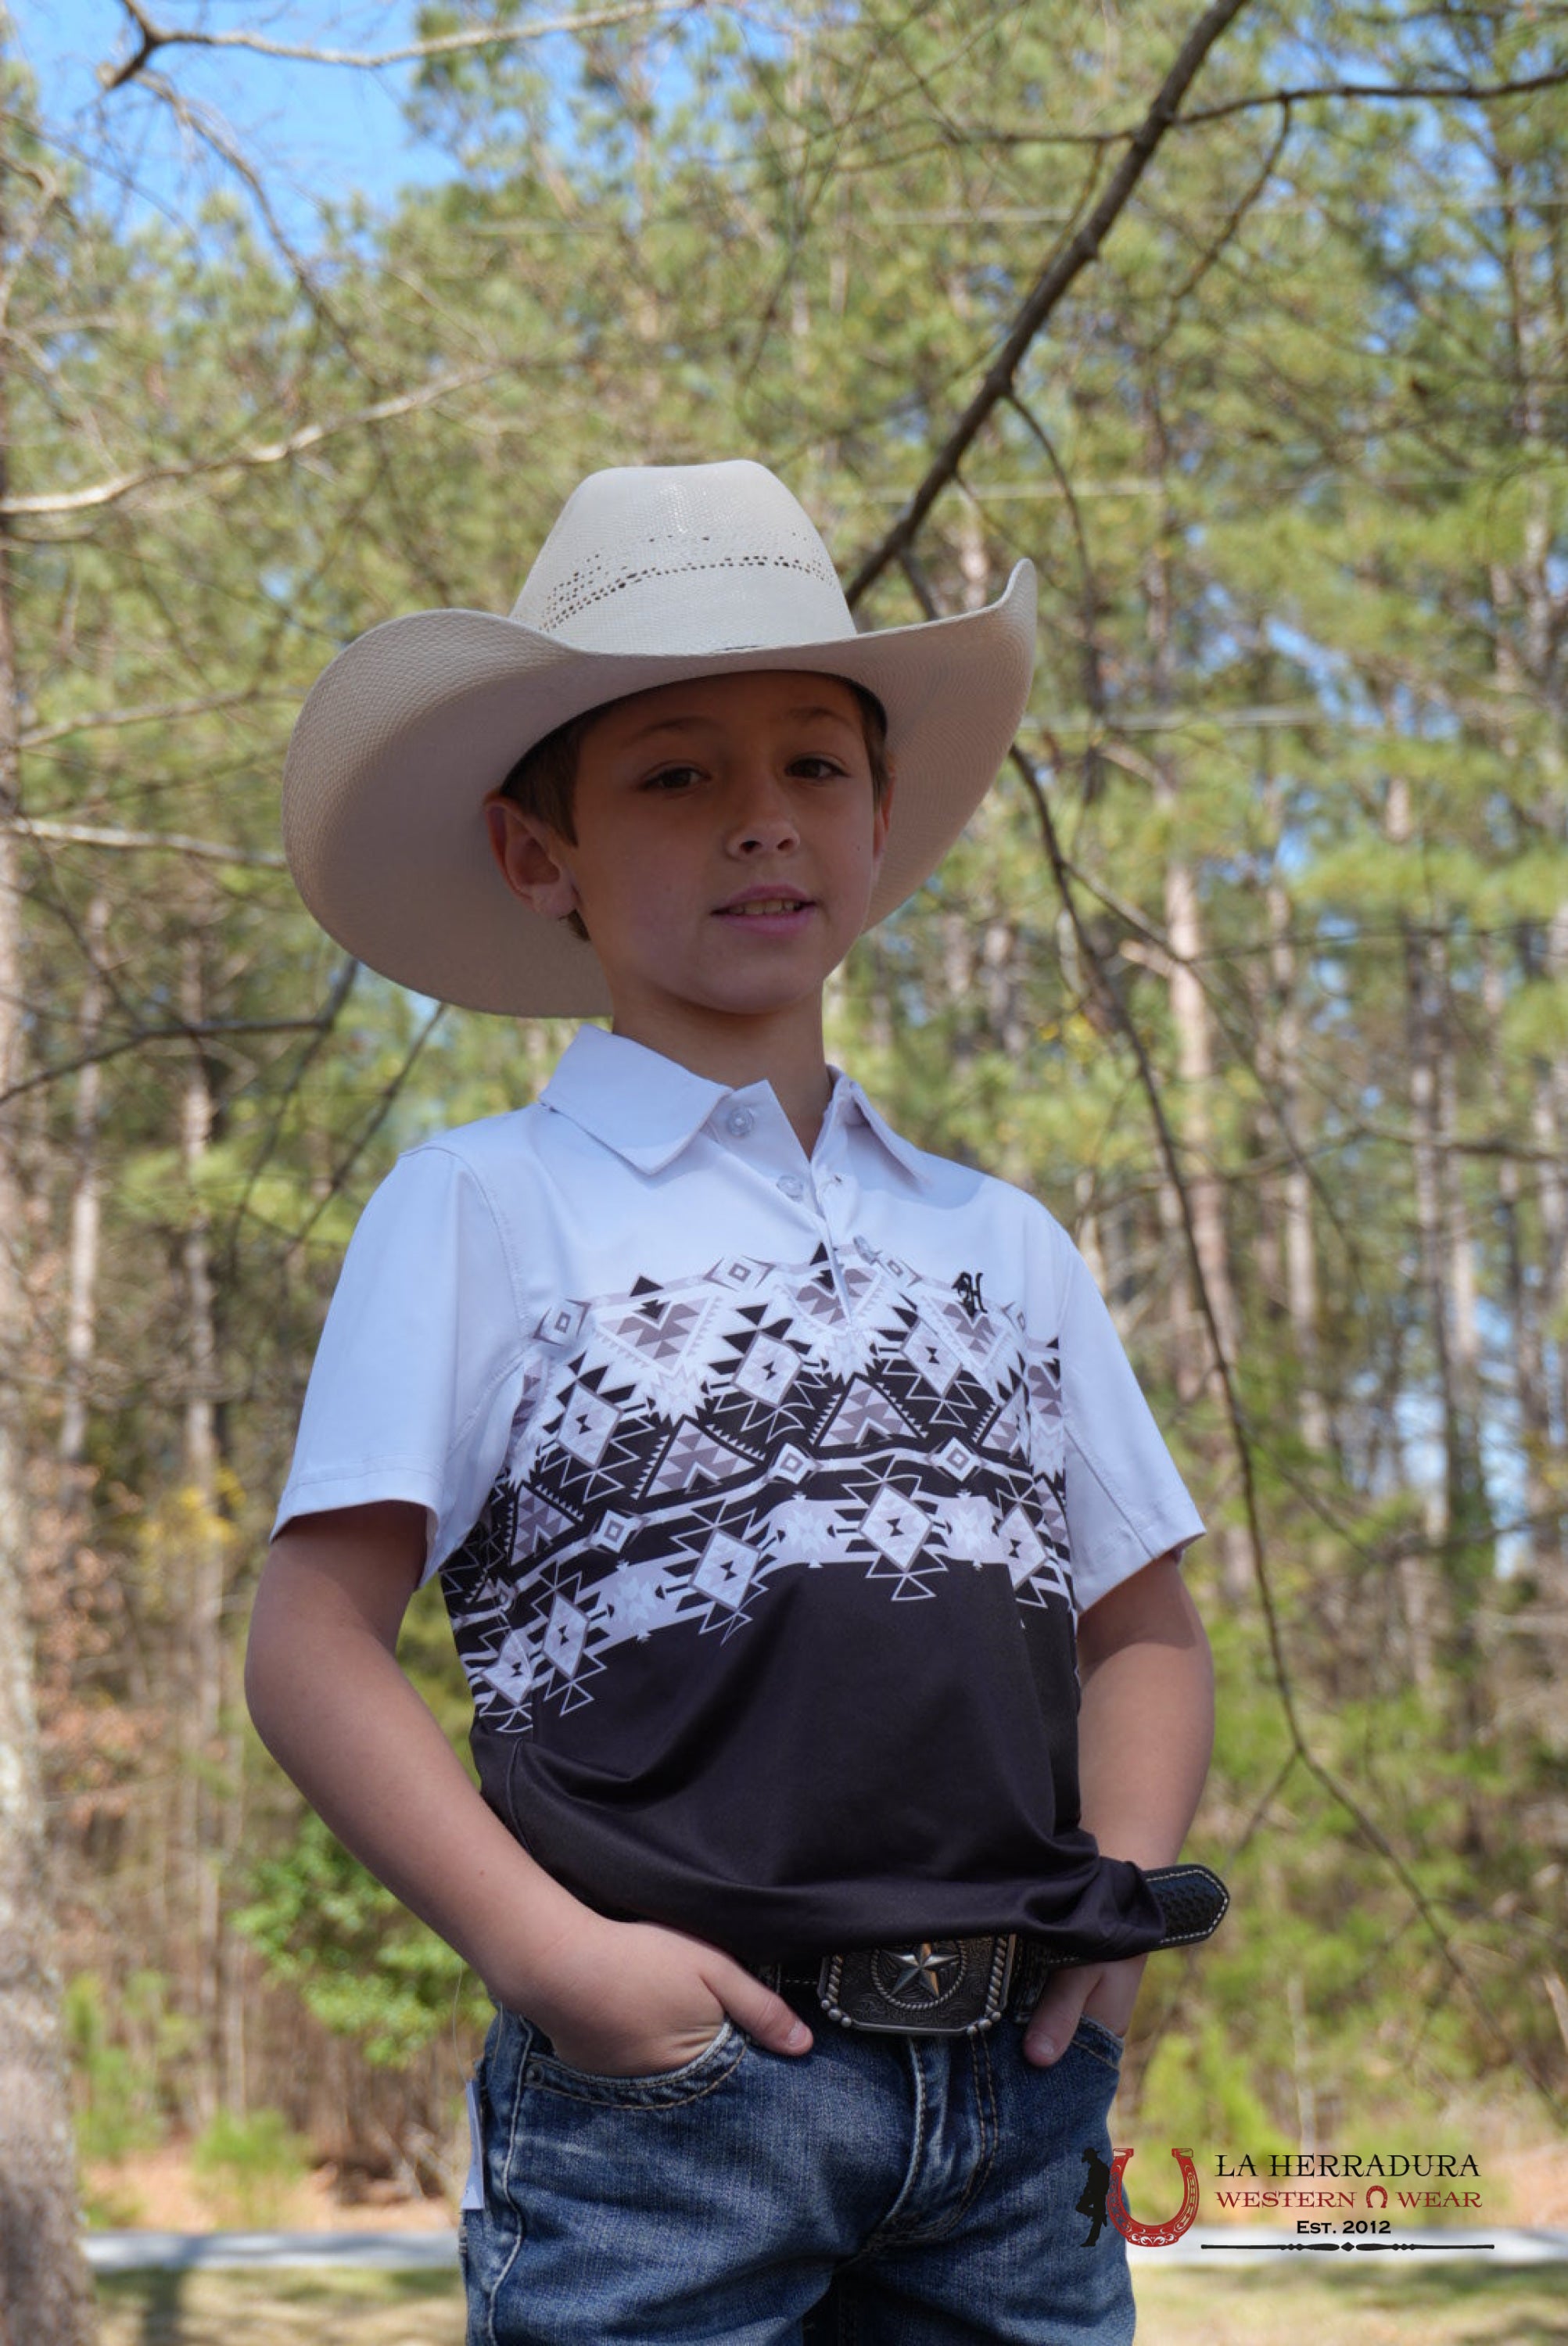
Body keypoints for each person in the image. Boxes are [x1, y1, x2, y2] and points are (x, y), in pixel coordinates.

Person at [248, 459, 1222, 2346]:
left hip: (1018, 2115)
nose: (759, 823)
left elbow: (1146, 1629)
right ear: (546, 859)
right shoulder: (484, 1207)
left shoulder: (995, 1241)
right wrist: (557, 1961)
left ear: (875, 822)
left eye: (814, 768)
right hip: (669, 2115)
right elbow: (311, 1644)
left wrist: (1111, 1927)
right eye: (677, 775)